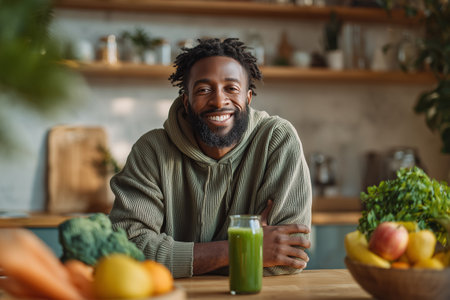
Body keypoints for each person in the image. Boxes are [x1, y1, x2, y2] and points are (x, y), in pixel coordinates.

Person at [109, 38, 312, 278]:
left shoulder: (277, 140)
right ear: (187, 101)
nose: (218, 101)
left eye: (231, 88)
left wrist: (172, 259)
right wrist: (243, 249)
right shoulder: (151, 151)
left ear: (248, 98)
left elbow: (285, 261)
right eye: (204, 90)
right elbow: (126, 254)